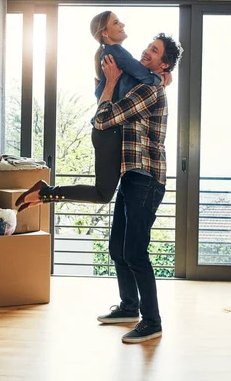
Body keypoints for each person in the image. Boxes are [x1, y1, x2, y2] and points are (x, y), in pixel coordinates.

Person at [16, 11, 169, 210]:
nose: (122, 24)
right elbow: (145, 76)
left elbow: (116, 87)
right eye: (116, 22)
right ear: (105, 33)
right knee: (103, 193)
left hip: (107, 133)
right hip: (108, 132)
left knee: (103, 194)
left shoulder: (111, 55)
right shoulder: (116, 53)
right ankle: (44, 192)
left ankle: (44, 193)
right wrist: (162, 79)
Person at [92, 33, 182, 343]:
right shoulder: (147, 83)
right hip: (132, 176)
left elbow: (104, 119)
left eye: (153, 50)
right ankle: (129, 307)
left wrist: (109, 84)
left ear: (164, 63)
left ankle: (152, 321)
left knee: (135, 252)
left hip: (145, 178)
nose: (146, 51)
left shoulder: (150, 88)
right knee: (118, 248)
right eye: (148, 46)